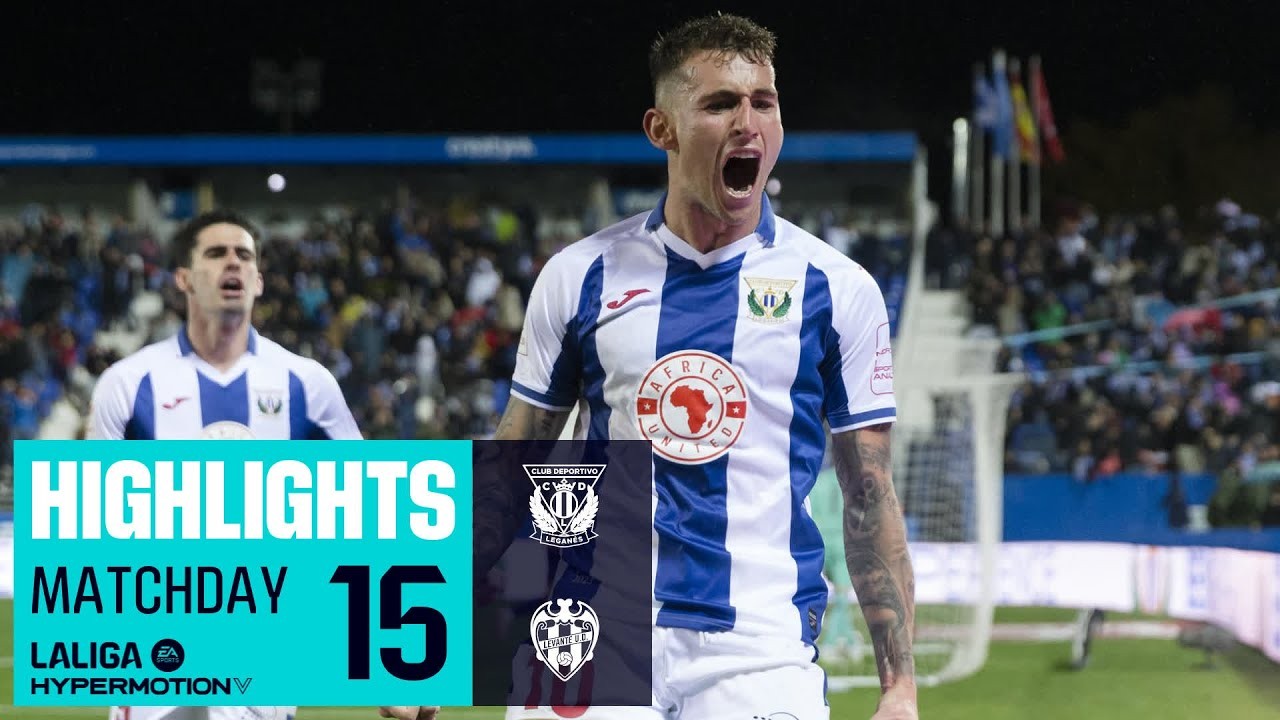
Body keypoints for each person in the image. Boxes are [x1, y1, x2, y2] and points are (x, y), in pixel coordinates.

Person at [382, 13, 917, 720]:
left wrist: (899, 687)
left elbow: (869, 493)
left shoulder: (837, 288)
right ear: (662, 129)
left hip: (756, 641)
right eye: (720, 104)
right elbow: (513, 463)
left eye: (764, 102)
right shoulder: (580, 275)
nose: (748, 123)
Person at [89, 209, 361, 720]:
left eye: (244, 256)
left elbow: (368, 515)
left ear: (258, 280)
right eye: (215, 254)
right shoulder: (127, 384)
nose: (232, 263)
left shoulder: (307, 384)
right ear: (184, 279)